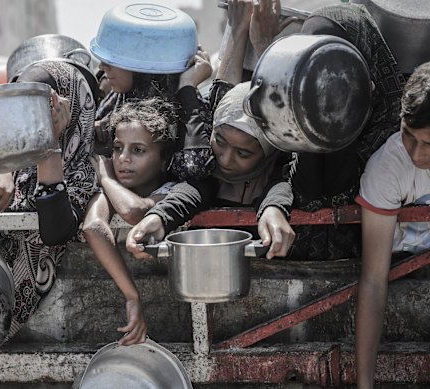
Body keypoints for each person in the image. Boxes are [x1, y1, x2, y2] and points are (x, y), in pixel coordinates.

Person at [0, 59, 96, 338]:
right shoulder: (2, 162)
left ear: (72, 104)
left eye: (41, 103)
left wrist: (50, 147)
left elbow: (55, 232)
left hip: (49, 329)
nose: (30, 114)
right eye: (23, 103)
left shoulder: (85, 168)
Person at [125, 0, 295, 260]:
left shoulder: (279, 169)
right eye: (219, 141)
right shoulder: (209, 172)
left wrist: (274, 209)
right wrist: (158, 218)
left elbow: (280, 188)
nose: (225, 160)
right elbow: (193, 190)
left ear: (268, 151)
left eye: (243, 153)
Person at [241, 1, 406, 260]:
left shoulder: (397, 131)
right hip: (289, 264)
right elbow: (280, 174)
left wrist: (349, 112)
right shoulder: (294, 117)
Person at [354, 61, 430, 389]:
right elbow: (373, 280)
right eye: (409, 135)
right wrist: (364, 384)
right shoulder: (387, 166)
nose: (415, 153)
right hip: (402, 266)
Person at [83, 98, 177, 346]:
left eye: (138, 150)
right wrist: (132, 296)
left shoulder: (172, 190)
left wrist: (106, 178)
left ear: (164, 160)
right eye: (117, 148)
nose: (123, 158)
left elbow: (135, 211)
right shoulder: (110, 191)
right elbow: (93, 226)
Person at [91, 3, 214, 181]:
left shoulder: (189, 108)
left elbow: (193, 168)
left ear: (143, 68)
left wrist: (187, 86)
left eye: (114, 59)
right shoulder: (118, 99)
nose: (102, 66)